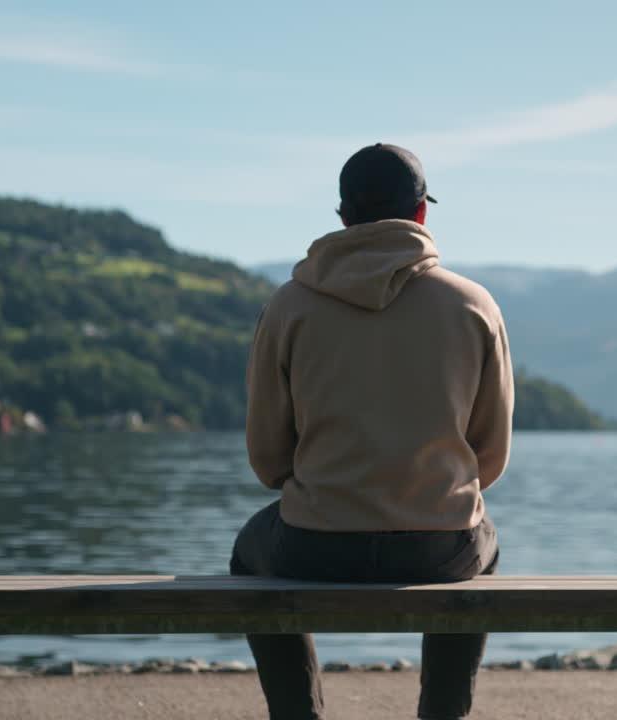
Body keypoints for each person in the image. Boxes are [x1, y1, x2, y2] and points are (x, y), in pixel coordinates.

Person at [231, 143, 514, 720]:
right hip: (438, 549)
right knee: (484, 543)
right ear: (422, 214)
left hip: (315, 544)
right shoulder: (473, 305)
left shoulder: (289, 307)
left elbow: (267, 462)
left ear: (342, 217)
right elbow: (490, 460)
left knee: (248, 554)